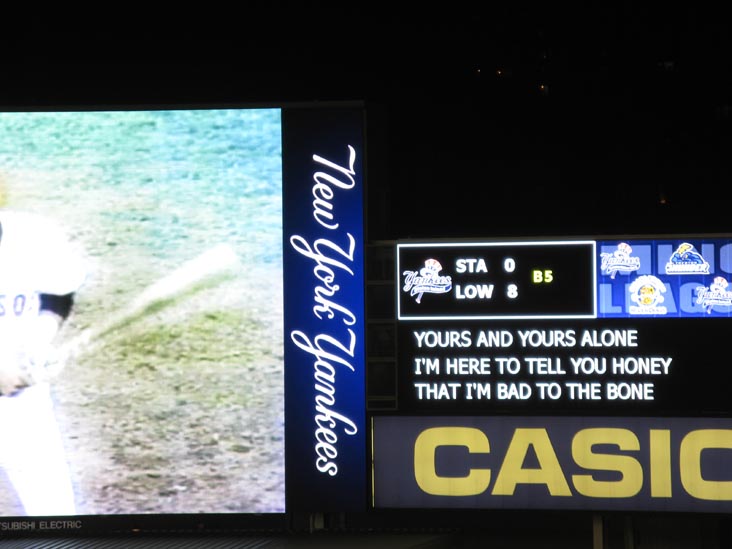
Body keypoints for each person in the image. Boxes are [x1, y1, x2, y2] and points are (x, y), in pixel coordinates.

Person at [0, 210, 86, 516]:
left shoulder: (32, 236)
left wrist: (40, 338)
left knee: (54, 513)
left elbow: (56, 296)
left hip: (21, 394)